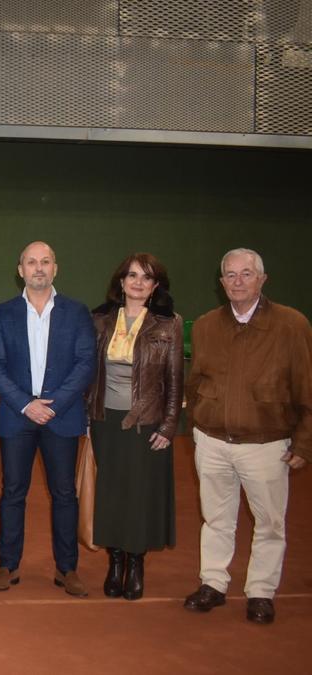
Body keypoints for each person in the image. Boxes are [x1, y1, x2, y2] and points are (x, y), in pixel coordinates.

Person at [183, 248, 311, 625]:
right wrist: (200, 425)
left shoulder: (292, 325)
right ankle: (213, 583)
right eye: (231, 275)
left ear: (262, 279)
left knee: (269, 524)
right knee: (216, 519)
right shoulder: (206, 325)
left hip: (267, 445)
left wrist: (304, 442)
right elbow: (197, 381)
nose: (238, 282)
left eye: (246, 274)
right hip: (213, 443)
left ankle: (260, 591)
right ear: (221, 282)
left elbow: (306, 387)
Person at [0, 241, 95, 597]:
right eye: (31, 262)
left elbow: (85, 363)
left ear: (55, 268)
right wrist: (25, 404)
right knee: (13, 492)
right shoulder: (2, 314)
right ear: (20, 270)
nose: (38, 268)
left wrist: (55, 403)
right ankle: (8, 565)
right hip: (18, 418)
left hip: (61, 418)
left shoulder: (77, 313)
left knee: (64, 493)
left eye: (45, 262)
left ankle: (67, 569)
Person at [85, 253, 182, 601]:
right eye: (132, 275)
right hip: (104, 422)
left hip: (146, 424)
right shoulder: (99, 320)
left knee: (139, 497)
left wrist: (169, 426)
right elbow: (87, 373)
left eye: (147, 277)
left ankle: (136, 562)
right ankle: (114, 561)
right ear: (121, 281)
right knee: (110, 495)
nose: (138, 282)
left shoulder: (168, 324)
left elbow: (174, 381)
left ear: (156, 286)